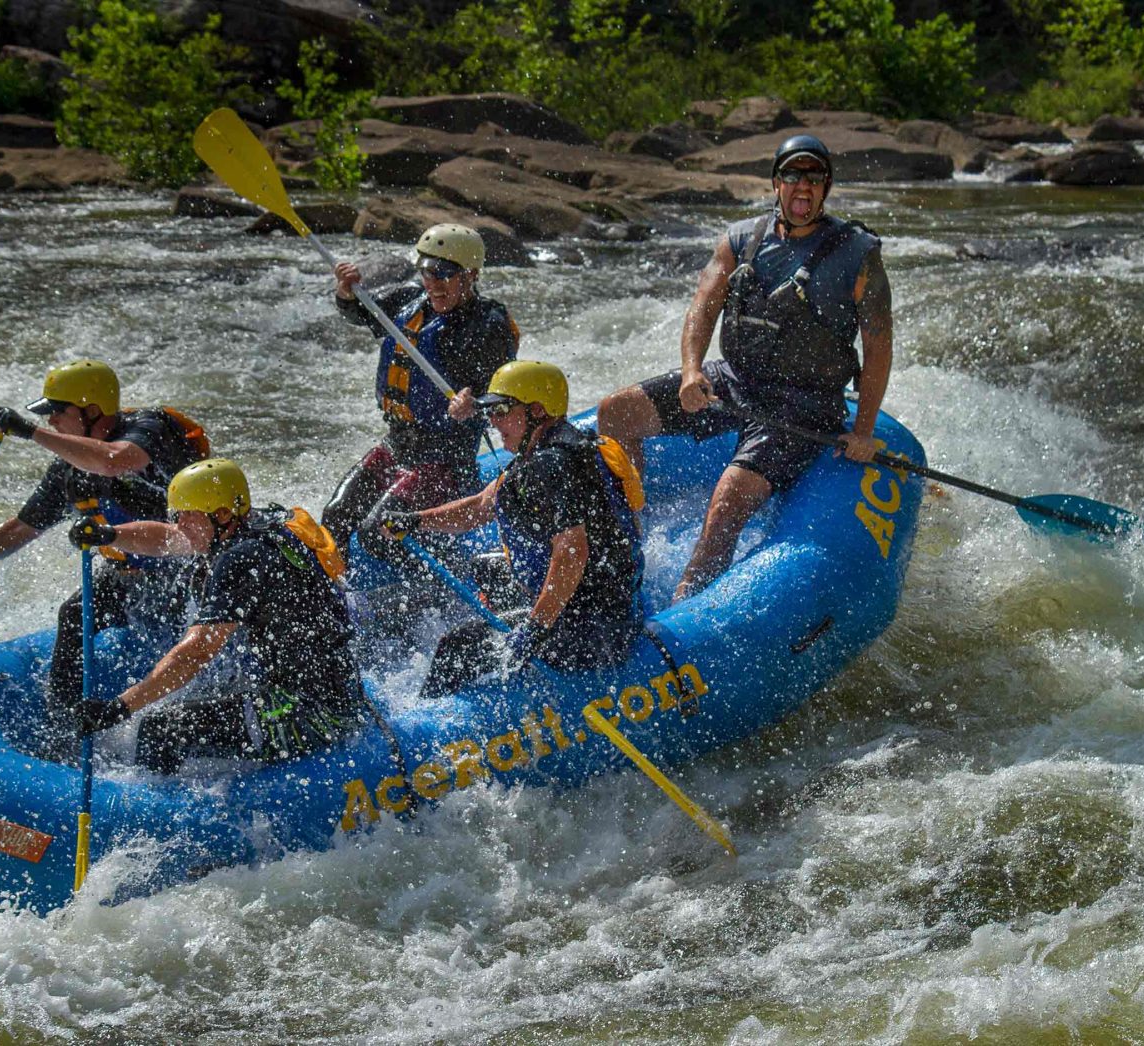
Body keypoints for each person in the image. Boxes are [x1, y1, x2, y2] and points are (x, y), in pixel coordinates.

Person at [596, 133, 893, 601]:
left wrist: (865, 428)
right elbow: (702, 308)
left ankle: (684, 610)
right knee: (615, 413)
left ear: (826, 187)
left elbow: (879, 347)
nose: (803, 186)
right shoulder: (739, 240)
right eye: (793, 175)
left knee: (726, 504)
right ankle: (631, 536)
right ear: (776, 183)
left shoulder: (857, 254)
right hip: (736, 383)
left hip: (803, 405)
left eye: (814, 177)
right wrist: (692, 370)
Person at [0, 360, 210, 743]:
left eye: (58, 412)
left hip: (194, 571)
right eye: (47, 416)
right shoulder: (69, 472)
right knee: (74, 615)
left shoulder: (150, 431)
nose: (52, 421)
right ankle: (66, 729)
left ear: (91, 411)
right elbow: (19, 530)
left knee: (193, 638)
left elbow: (113, 460)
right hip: (133, 577)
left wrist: (29, 431)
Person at [76, 459, 369, 774]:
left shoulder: (239, 559)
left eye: (188, 517)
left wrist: (120, 707)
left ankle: (154, 810)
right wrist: (108, 535)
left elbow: (197, 652)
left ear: (223, 515)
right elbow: (169, 538)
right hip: (337, 686)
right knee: (209, 696)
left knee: (158, 728)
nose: (180, 525)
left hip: (313, 711)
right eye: (178, 516)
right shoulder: (266, 523)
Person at [375, 361, 645, 697]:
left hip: (591, 633)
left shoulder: (549, 466)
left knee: (454, 648)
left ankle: (432, 724)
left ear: (536, 411)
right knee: (486, 568)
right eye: (490, 412)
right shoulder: (565, 447)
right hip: (615, 605)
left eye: (502, 410)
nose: (492, 421)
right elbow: (480, 507)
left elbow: (572, 551)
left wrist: (535, 628)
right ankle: (510, 632)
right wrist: (415, 519)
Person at [324, 223, 520, 571]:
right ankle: (337, 594)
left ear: (470, 275)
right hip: (398, 444)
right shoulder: (409, 302)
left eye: (443, 273)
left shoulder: (488, 325)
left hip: (445, 457)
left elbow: (505, 394)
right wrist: (345, 292)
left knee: (378, 531)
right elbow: (358, 312)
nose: (432, 281)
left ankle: (441, 579)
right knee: (336, 514)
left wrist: (474, 403)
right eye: (426, 270)